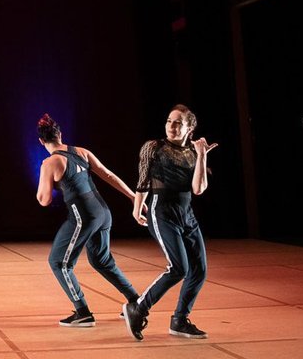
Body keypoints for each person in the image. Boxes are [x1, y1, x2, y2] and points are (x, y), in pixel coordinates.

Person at [35, 113, 140, 328]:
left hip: (83, 217)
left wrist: (46, 183)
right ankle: (136, 301)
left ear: (40, 141)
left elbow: (44, 200)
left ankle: (82, 312)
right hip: (103, 213)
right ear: (60, 135)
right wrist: (132, 197)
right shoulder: (81, 151)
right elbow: (108, 175)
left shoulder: (50, 162)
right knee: (101, 261)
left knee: (59, 263)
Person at [123, 104, 217, 341]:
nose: (171, 126)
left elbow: (198, 189)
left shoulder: (194, 152)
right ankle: (138, 308)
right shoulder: (154, 147)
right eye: (169, 121)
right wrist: (137, 208)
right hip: (162, 212)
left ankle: (180, 320)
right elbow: (143, 180)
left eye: (177, 122)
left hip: (187, 214)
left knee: (199, 270)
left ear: (190, 128)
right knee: (178, 268)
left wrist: (202, 155)